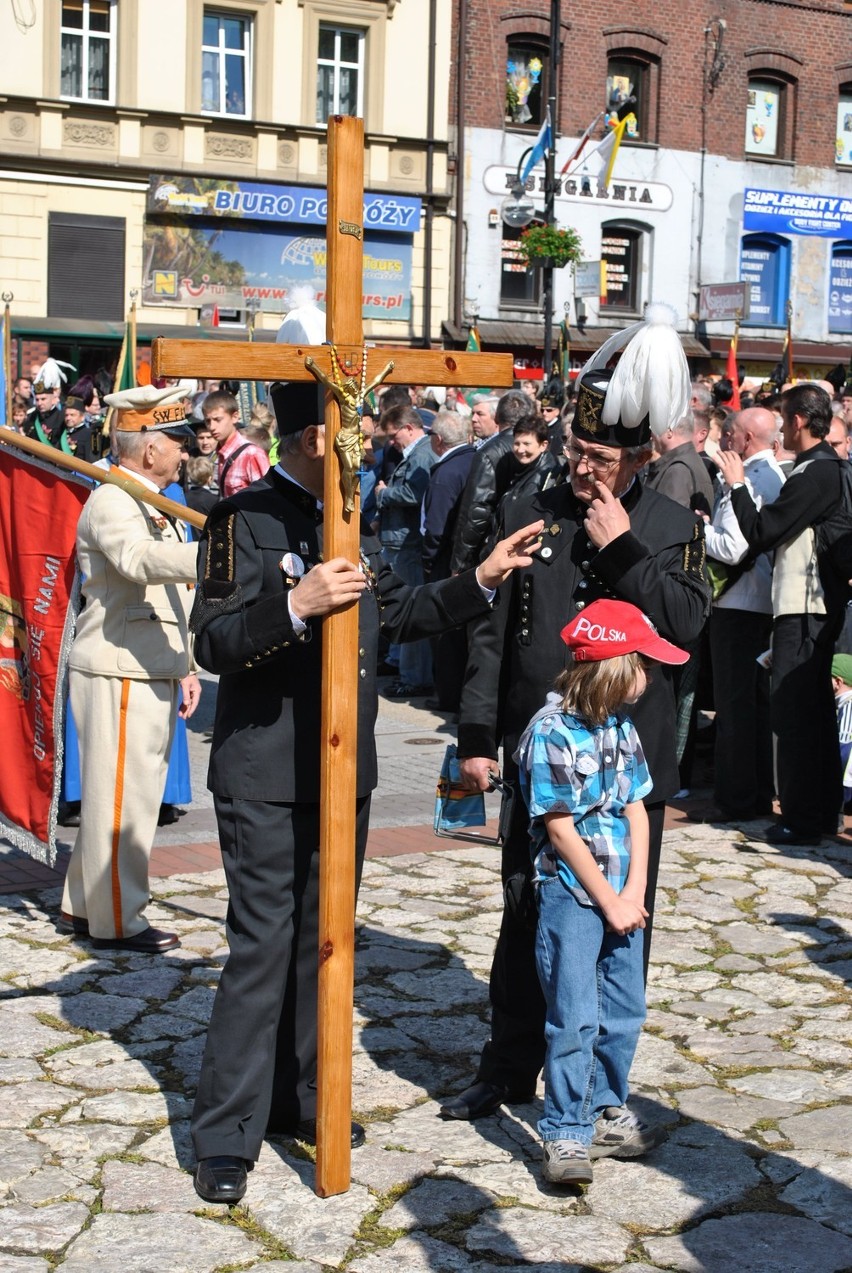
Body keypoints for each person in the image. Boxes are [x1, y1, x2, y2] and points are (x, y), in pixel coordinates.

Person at [188, 378, 545, 1205]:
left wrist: (482, 579)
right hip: (266, 775)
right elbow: (213, 640)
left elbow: (401, 611)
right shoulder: (237, 520)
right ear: (316, 437)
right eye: (348, 438)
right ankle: (226, 1134)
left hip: (345, 774)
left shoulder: (348, 517)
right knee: (259, 950)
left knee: (327, 945)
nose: (363, 453)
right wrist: (294, 604)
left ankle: (308, 1098)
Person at [440, 303, 711, 1123]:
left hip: (628, 773)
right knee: (527, 908)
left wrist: (624, 545)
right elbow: (493, 630)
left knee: (618, 920)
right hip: (539, 754)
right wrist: (479, 737)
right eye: (577, 451)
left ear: (634, 458)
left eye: (600, 457)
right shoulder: (535, 501)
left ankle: (596, 1083)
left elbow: (688, 624)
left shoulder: (664, 523)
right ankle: (509, 1061)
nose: (584, 468)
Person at [516, 598, 686, 1184]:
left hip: (622, 891)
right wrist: (607, 898)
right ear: (616, 668)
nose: (652, 675)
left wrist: (635, 889)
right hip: (573, 894)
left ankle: (605, 1107)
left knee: (624, 1008)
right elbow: (560, 830)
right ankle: (565, 1132)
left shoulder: (621, 727)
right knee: (574, 1014)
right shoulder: (549, 733)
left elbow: (638, 807)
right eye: (646, 664)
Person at [57, 383, 201, 951]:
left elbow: (171, 601)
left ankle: (82, 905)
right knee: (125, 803)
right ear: (148, 448)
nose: (185, 452)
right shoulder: (115, 500)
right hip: (119, 668)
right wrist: (217, 552)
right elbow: (139, 564)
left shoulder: (149, 499)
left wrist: (184, 665)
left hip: (145, 663)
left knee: (114, 795)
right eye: (177, 442)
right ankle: (119, 920)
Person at [715, 384, 849, 846]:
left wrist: (736, 485)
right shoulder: (825, 467)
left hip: (806, 607)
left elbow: (761, 532)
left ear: (796, 421)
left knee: (795, 715)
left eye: (783, 419)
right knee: (810, 715)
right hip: (808, 605)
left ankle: (801, 818)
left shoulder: (815, 472)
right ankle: (818, 813)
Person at [689, 408, 785, 824]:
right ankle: (757, 794)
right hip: (762, 604)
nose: (723, 442)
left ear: (744, 439)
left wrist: (697, 528)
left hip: (738, 605)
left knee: (736, 709)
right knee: (755, 709)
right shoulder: (777, 475)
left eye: (727, 435)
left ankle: (736, 799)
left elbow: (731, 547)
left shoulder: (747, 478)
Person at [374, 404, 437, 697]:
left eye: (392, 435)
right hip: (400, 541)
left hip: (408, 545)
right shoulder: (415, 453)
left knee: (409, 610)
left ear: (408, 428)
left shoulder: (422, 454)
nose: (390, 442)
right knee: (398, 608)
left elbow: (416, 494)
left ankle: (415, 678)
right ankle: (401, 666)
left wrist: (384, 494)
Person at [450, 389, 538, 573]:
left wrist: (460, 564)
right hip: (525, 544)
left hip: (496, 548)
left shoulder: (489, 453)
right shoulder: (537, 447)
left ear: (496, 417)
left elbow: (477, 511)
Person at [203, 390, 270, 497]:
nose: (212, 427)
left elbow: (269, 497)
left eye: (217, 420)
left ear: (235, 417)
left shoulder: (252, 454)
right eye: (208, 421)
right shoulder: (219, 454)